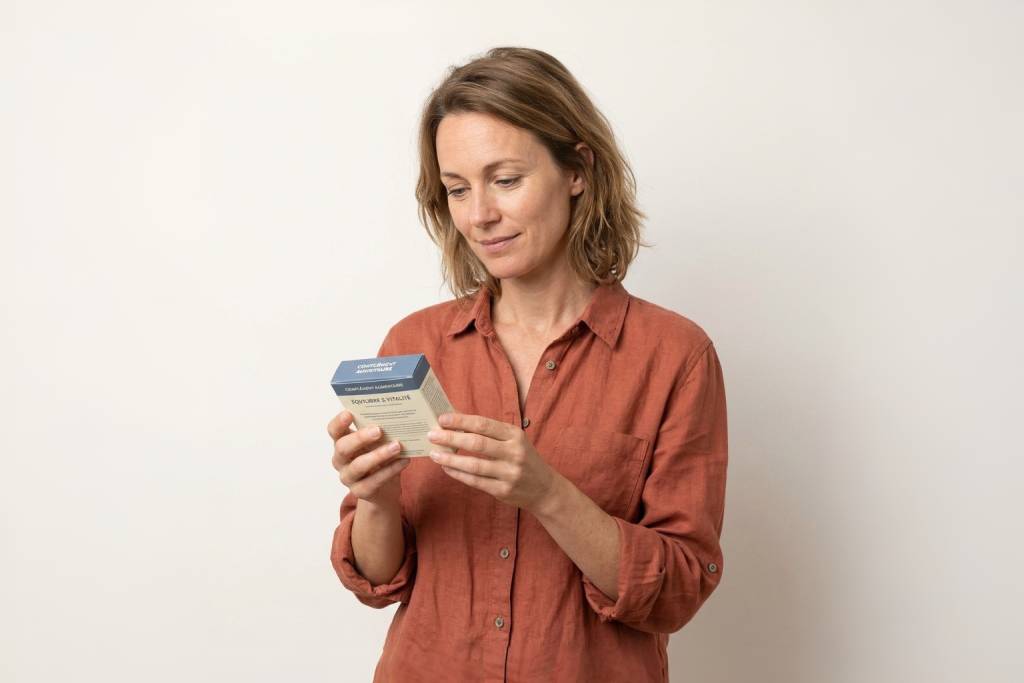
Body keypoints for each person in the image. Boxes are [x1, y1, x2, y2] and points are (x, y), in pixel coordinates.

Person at [328, 46, 728, 682]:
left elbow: (677, 591)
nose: (480, 215)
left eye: (505, 180)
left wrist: (547, 492)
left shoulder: (674, 356)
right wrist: (373, 499)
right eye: (458, 190)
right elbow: (376, 582)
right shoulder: (413, 344)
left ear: (576, 169)